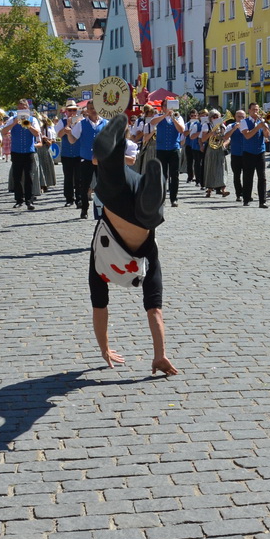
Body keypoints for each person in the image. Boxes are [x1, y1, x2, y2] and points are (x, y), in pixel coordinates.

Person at [87, 114, 177, 376]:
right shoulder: (99, 266)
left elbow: (100, 307)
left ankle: (151, 189)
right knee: (112, 175)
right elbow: (154, 309)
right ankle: (112, 154)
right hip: (122, 205)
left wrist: (104, 348)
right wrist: (159, 355)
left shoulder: (102, 268)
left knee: (141, 207)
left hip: (134, 214)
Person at [6, 101, 41, 210]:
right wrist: (13, 124)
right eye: (20, 107)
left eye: (24, 107)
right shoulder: (12, 119)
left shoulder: (33, 119)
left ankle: (29, 200)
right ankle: (18, 199)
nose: (22, 109)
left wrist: (28, 125)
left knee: (29, 176)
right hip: (16, 151)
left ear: (27, 108)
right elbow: (3, 131)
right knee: (17, 176)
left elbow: (37, 133)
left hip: (29, 152)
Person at [152, 104, 185, 206]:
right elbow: (152, 123)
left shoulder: (178, 117)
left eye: (169, 106)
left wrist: (173, 119)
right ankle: (161, 199)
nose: (168, 108)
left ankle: (173, 199)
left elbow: (181, 130)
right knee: (162, 175)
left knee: (174, 175)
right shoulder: (158, 116)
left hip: (174, 149)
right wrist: (164, 115)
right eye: (165, 106)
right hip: (161, 149)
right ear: (162, 108)